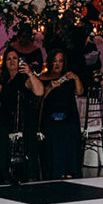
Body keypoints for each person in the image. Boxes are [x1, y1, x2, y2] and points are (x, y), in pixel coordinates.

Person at [0, 46, 44, 182]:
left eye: (14, 58)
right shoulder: (4, 81)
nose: (11, 61)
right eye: (8, 59)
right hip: (4, 117)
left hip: (20, 119)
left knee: (0, 131)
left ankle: (5, 173)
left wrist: (30, 74)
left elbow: (39, 91)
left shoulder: (23, 78)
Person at [39, 47, 84, 179]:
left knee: (70, 130)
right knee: (55, 131)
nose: (57, 64)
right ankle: (56, 170)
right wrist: (50, 88)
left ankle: (70, 170)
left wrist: (76, 78)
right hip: (50, 116)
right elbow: (40, 99)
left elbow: (80, 92)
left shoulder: (68, 78)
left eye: (60, 61)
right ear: (50, 62)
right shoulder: (44, 78)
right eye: (55, 61)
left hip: (68, 116)